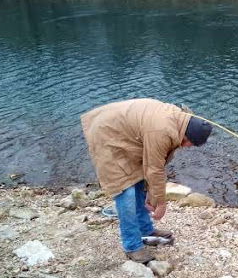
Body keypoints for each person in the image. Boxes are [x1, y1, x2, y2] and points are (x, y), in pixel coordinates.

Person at [81, 98, 212, 264]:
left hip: (128, 135)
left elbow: (153, 167)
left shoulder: (181, 121)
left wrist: (152, 195)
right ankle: (132, 246)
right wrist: (160, 204)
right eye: (189, 144)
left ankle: (146, 230)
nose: (187, 147)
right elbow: (155, 168)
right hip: (107, 134)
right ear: (186, 135)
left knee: (138, 181)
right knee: (125, 190)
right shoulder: (162, 131)